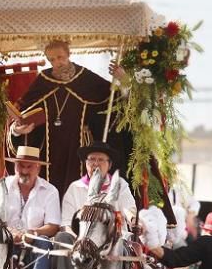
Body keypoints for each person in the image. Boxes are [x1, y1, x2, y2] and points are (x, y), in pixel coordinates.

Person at [9, 40, 131, 196]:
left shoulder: (85, 79)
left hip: (79, 146)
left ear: (68, 54)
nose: (57, 63)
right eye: (52, 59)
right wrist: (17, 130)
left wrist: (124, 81)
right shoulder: (43, 81)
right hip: (50, 148)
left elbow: (113, 101)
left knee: (78, 192)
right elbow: (21, 111)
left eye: (60, 57)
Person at [0, 145, 61, 269]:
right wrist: (7, 232)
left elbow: (53, 225)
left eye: (29, 166)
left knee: (44, 242)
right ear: (15, 166)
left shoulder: (50, 191)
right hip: (4, 240)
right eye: (21, 165)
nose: (24, 170)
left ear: (38, 168)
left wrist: (30, 234)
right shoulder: (2, 187)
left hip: (33, 242)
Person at [60, 141, 137, 228]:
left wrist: (133, 220)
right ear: (86, 163)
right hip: (80, 239)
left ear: (110, 165)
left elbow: (129, 209)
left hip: (115, 238)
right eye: (92, 159)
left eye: (101, 160)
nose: (96, 164)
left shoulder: (120, 184)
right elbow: (66, 223)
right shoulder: (75, 188)